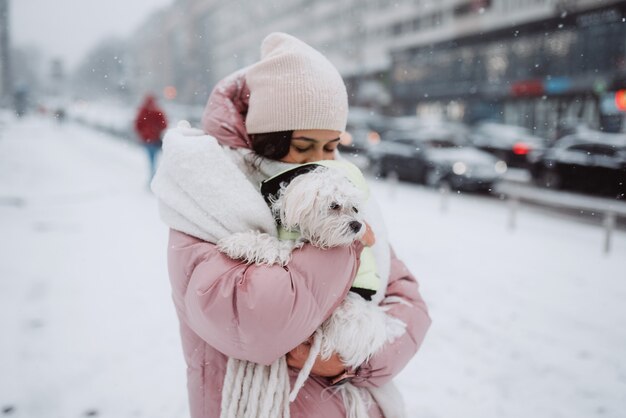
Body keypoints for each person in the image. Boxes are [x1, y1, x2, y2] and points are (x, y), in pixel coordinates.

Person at [151, 33, 431, 417]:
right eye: (303, 147)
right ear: (267, 139)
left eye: (331, 146)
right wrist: (344, 243)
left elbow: (407, 300)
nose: (321, 161)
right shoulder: (208, 197)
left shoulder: (340, 193)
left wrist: (352, 359)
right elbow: (257, 321)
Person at [134, 94, 167, 182]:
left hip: (147, 140)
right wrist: (157, 129)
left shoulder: (143, 111)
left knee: (151, 159)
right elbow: (164, 124)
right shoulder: (157, 111)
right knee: (156, 158)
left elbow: (137, 125)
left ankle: (153, 178)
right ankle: (155, 178)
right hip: (155, 139)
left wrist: (143, 133)